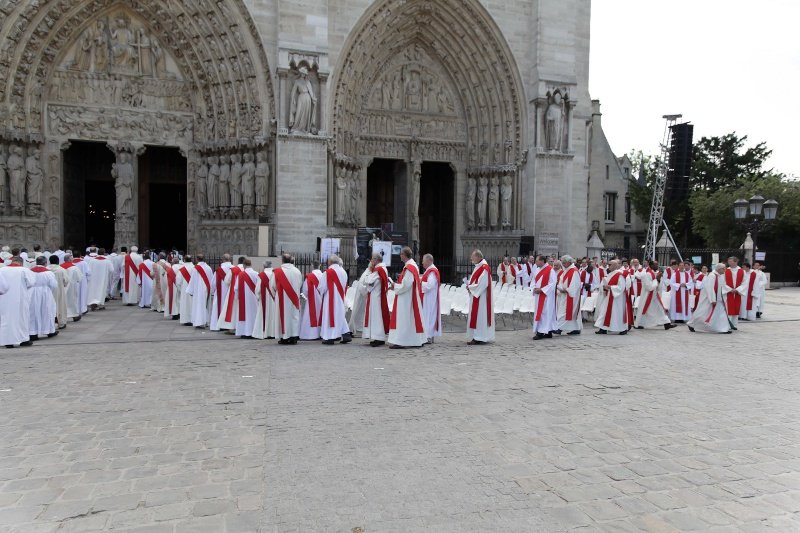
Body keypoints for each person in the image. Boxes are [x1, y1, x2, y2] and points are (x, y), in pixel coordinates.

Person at [388, 247, 426, 349]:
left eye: (401, 254)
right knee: (411, 319)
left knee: (404, 319)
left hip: (407, 298)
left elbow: (407, 284)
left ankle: (402, 341)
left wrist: (394, 286)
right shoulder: (411, 266)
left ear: (405, 255)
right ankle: (415, 340)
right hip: (409, 296)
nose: (400, 256)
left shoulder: (410, 267)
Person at [0, 256, 35, 347]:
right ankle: (23, 339)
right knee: (22, 318)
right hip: (20, 298)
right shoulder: (24, 270)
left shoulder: (2, 270)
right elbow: (31, 283)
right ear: (21, 262)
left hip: (5, 298)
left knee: (6, 318)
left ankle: (7, 341)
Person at [688, 264, 733, 334]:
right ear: (719, 269)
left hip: (719, 299)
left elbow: (723, 285)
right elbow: (710, 288)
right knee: (702, 312)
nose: (725, 270)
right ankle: (691, 323)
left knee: (721, 314)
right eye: (724, 269)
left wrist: (730, 289)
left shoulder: (720, 276)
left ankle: (723, 329)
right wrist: (712, 300)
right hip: (709, 299)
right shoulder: (712, 276)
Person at [270, 254, 303, 344]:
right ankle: (294, 337)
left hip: (282, 298)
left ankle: (284, 337)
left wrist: (275, 296)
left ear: (282, 260)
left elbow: (272, 286)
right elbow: (300, 284)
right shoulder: (297, 271)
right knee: (294, 317)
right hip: (294, 298)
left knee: (283, 317)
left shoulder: (277, 272)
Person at [318, 255, 351, 345]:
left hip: (330, 298)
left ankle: (330, 337)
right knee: (339, 315)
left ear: (330, 262)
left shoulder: (328, 272)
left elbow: (322, 287)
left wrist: (320, 292)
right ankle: (345, 334)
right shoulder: (343, 271)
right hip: (340, 297)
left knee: (330, 316)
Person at [633, 260, 674, 330]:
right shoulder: (646, 274)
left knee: (660, 309)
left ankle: (667, 323)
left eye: (657, 264)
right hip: (648, 296)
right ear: (651, 265)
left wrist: (658, 280)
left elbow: (657, 285)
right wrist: (657, 279)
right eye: (656, 265)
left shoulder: (652, 273)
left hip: (654, 295)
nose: (657, 266)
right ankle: (639, 324)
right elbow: (649, 287)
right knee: (645, 310)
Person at [361, 253, 391, 347]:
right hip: (378, 295)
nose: (371, 261)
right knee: (377, 317)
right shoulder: (383, 268)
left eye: (372, 259)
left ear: (375, 259)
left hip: (376, 296)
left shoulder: (378, 269)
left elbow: (368, 281)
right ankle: (378, 337)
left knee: (376, 318)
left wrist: (368, 274)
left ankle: (379, 337)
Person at [466, 249, 494, 345]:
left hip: (481, 298)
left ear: (478, 257)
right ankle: (477, 336)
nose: (471, 258)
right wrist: (470, 286)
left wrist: (470, 287)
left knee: (480, 317)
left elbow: (483, 283)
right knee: (477, 317)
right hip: (476, 295)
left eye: (472, 256)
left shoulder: (484, 268)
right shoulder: (478, 267)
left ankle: (480, 337)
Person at [594, 259, 629, 335]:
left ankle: (622, 329)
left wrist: (611, 287)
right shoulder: (610, 274)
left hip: (617, 299)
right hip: (609, 296)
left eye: (610, 265)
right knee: (604, 312)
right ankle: (603, 328)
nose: (608, 266)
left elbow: (621, 287)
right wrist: (604, 287)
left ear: (615, 266)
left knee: (617, 314)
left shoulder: (620, 275)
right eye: (608, 264)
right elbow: (603, 284)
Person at [29, 256, 58, 340]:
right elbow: (54, 285)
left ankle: (33, 333)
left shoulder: (30, 271)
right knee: (47, 311)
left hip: (32, 293)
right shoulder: (48, 273)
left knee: (33, 312)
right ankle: (49, 331)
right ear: (45, 263)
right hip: (45, 293)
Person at [531, 255, 557, 340]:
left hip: (546, 296)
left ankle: (541, 332)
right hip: (538, 296)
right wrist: (534, 288)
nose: (535, 262)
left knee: (545, 313)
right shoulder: (537, 270)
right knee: (542, 313)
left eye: (537, 261)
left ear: (542, 261)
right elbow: (533, 281)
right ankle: (548, 331)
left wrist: (542, 290)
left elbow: (553, 283)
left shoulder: (550, 270)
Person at [186, 253, 214, 328]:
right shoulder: (208, 268)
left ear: (197, 259)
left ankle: (199, 322)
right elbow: (211, 280)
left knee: (199, 306)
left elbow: (193, 280)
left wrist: (190, 291)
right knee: (206, 305)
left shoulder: (196, 268)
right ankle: (206, 321)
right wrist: (211, 291)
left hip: (198, 290)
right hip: (207, 289)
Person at [218, 257, 245, 332]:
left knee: (232, 309)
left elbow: (226, 281)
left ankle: (231, 327)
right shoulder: (246, 269)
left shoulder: (233, 269)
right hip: (244, 292)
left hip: (233, 291)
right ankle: (241, 327)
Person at [557, 255, 582, 335]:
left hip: (571, 296)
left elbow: (575, 284)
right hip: (565, 295)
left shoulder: (574, 270)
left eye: (564, 263)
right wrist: (560, 288)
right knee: (568, 313)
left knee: (564, 312)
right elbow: (561, 281)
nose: (563, 264)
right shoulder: (567, 270)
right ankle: (576, 328)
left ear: (568, 262)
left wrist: (567, 290)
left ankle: (559, 328)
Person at [420, 253, 442, 344]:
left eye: (423, 261)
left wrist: (420, 282)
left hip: (429, 297)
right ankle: (428, 335)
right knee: (428, 316)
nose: (422, 263)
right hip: (428, 297)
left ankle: (428, 336)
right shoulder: (429, 270)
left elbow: (430, 285)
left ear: (429, 261)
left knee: (428, 316)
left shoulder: (432, 271)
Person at [299, 262, 323, 341]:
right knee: (322, 316)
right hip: (322, 300)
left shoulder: (309, 277)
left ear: (312, 266)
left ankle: (311, 335)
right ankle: (322, 333)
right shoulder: (323, 276)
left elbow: (305, 290)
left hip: (312, 301)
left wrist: (306, 297)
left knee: (310, 317)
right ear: (320, 266)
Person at [234, 258, 258, 338]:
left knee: (245, 315)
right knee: (253, 315)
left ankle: (245, 332)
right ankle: (253, 332)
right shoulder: (256, 273)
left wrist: (237, 298)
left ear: (244, 265)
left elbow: (236, 288)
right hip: (254, 299)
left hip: (243, 299)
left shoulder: (240, 275)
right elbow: (258, 287)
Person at [211, 254, 233, 331]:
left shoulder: (219, 270)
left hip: (221, 292)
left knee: (219, 306)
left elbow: (213, 284)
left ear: (222, 259)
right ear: (230, 259)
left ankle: (219, 324)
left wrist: (213, 291)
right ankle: (229, 325)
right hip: (231, 292)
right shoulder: (234, 269)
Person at [723, 256, 746, 330]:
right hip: (728, 293)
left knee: (736, 308)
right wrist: (729, 289)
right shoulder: (725, 271)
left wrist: (738, 289)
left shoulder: (742, 271)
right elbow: (723, 282)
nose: (729, 262)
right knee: (728, 309)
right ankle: (728, 324)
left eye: (730, 261)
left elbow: (745, 282)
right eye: (728, 261)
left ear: (735, 262)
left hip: (737, 293)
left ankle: (734, 324)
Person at [47, 255, 69, 330]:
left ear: (49, 261)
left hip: (48, 292)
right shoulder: (61, 270)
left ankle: (49, 323)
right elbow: (66, 281)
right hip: (59, 291)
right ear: (58, 261)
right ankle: (61, 323)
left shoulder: (46, 269)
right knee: (60, 306)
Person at [348, 266, 371, 337]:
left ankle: (355, 329)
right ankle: (355, 329)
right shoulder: (367, 273)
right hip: (362, 297)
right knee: (359, 313)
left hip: (362, 297)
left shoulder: (367, 273)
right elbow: (362, 286)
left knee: (359, 313)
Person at [60, 253, 84, 322]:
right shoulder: (74, 268)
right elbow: (79, 278)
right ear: (70, 260)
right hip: (72, 287)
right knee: (72, 301)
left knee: (62, 301)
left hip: (62, 287)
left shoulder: (60, 267)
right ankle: (74, 315)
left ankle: (62, 315)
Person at [176, 255, 194, 325]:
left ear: (184, 260)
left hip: (184, 289)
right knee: (193, 304)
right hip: (194, 290)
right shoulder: (195, 268)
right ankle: (193, 319)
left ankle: (186, 320)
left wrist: (180, 290)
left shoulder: (182, 269)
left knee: (186, 304)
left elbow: (178, 281)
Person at [72, 251, 90, 315]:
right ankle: (83, 309)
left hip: (73, 281)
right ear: (80, 255)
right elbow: (88, 272)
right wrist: (88, 280)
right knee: (82, 295)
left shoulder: (70, 263)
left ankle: (75, 309)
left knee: (74, 295)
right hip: (83, 281)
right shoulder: (84, 263)